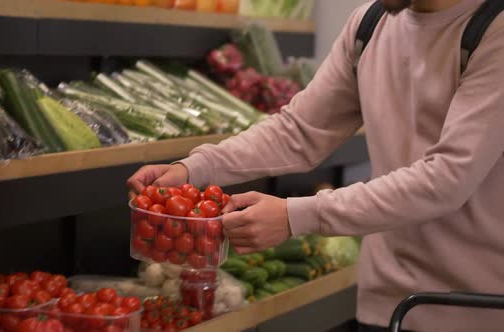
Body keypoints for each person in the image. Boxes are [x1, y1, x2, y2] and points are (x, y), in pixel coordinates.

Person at [128, 0, 504, 330]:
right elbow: (298, 131)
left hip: (473, 309)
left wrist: (296, 216)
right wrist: (195, 168)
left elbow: (447, 178)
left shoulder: (494, 31)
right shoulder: (368, 27)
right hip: (385, 303)